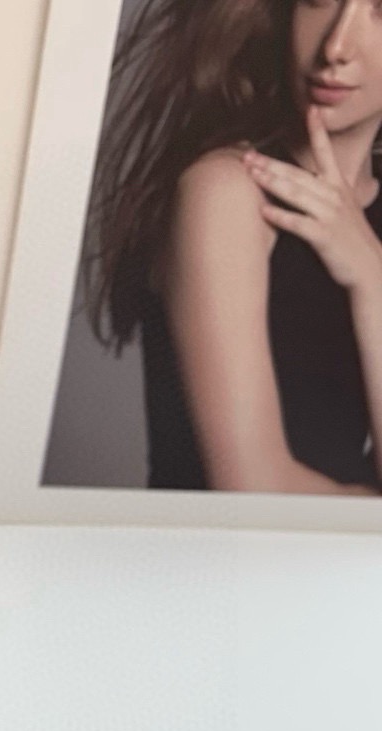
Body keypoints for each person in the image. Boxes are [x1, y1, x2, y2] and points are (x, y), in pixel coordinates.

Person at [86, 0, 382, 493]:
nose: (335, 47)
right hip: (216, 548)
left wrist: (371, 279)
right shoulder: (225, 190)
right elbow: (252, 490)